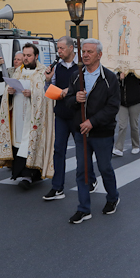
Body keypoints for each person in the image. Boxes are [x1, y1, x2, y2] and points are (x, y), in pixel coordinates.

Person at [65, 39, 120, 224]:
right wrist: (75, 99)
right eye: (84, 51)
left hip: (102, 132)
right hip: (81, 132)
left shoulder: (109, 78)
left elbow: (113, 107)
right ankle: (83, 209)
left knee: (105, 168)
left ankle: (112, 197)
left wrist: (93, 122)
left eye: (89, 52)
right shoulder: (76, 76)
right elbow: (67, 101)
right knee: (82, 171)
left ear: (99, 55)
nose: (85, 55)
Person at [0, 43, 54, 189]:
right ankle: (20, 173)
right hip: (18, 115)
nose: (25, 58)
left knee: (30, 143)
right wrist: (10, 92)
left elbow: (47, 93)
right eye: (24, 55)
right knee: (19, 143)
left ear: (36, 56)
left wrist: (33, 93)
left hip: (34, 117)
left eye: (29, 55)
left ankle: (29, 175)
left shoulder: (42, 72)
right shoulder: (17, 72)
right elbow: (4, 83)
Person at [42, 36, 95, 201]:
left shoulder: (82, 65)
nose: (59, 51)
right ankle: (57, 187)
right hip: (61, 114)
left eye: (61, 48)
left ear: (71, 48)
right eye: (58, 48)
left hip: (78, 115)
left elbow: (90, 87)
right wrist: (48, 80)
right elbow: (49, 91)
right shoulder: (57, 67)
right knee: (58, 150)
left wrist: (69, 91)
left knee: (82, 150)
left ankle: (90, 179)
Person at [113, 72, 140, 156]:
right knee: (122, 125)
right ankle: (119, 148)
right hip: (122, 102)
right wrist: (120, 79)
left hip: (135, 102)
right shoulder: (119, 72)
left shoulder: (136, 72)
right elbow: (115, 85)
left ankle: (135, 146)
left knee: (134, 125)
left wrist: (133, 73)